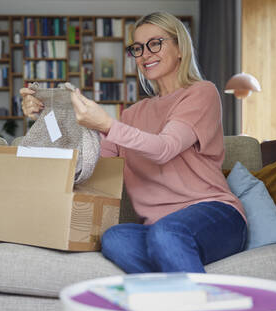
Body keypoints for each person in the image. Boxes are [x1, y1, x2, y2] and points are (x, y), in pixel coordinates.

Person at [20, 12, 247, 274]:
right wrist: (49, 114)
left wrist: (106, 124)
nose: (145, 54)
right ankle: (172, 295)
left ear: (180, 48)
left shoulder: (201, 93)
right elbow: (89, 166)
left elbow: (164, 148)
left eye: (155, 43)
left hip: (216, 217)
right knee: (115, 238)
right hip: (159, 229)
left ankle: (196, 310)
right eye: (137, 48)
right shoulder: (132, 115)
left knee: (167, 233)